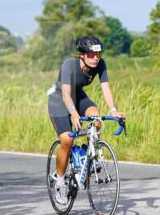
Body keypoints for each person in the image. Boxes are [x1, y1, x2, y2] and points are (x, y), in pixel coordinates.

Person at [47, 35, 124, 203]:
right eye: (91, 55)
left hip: (79, 96)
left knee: (96, 117)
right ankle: (59, 182)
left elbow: (106, 89)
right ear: (81, 54)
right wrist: (74, 113)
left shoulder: (100, 64)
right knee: (67, 140)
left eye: (98, 55)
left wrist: (113, 110)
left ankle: (86, 152)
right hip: (59, 99)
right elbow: (66, 95)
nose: (95, 58)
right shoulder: (69, 64)